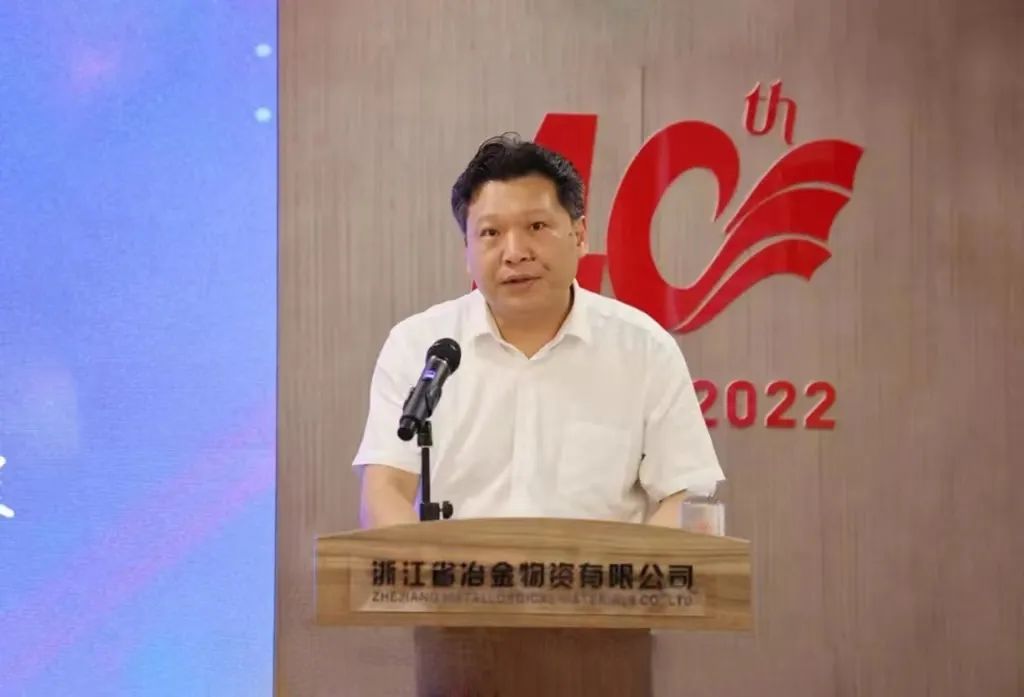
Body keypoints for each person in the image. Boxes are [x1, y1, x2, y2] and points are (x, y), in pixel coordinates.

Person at [352, 133, 724, 528]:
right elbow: (385, 490)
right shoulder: (419, 346)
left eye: (536, 226)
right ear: (467, 252)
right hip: (452, 569)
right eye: (490, 233)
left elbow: (687, 497)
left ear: (579, 236)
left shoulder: (644, 349)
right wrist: (425, 566)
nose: (515, 252)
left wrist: (636, 566)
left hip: (602, 570)